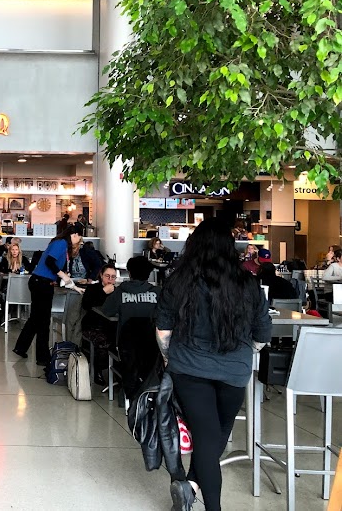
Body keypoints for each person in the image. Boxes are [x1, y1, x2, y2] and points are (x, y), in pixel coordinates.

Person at [155, 218, 271, 511]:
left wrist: (169, 357)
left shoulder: (179, 282)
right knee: (216, 434)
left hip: (189, 368)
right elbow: (262, 334)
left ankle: (193, 488)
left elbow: (164, 330)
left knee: (208, 436)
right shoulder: (249, 284)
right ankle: (198, 493)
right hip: (234, 372)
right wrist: (245, 353)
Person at [13, 224, 81, 364]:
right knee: (43, 321)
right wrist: (62, 275)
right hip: (42, 283)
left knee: (36, 318)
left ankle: (21, 347)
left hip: (40, 282)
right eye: (79, 238)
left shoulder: (60, 244)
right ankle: (42, 357)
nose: (78, 241)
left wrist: (68, 281)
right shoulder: (61, 243)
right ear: (74, 235)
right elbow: (50, 261)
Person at [101, 255, 160, 400]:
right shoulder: (158, 292)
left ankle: (128, 396)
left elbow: (106, 311)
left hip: (126, 347)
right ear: (148, 274)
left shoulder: (120, 292)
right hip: (152, 348)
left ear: (129, 272)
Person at [81, 264, 118, 382]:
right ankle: (98, 369)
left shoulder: (117, 292)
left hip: (111, 325)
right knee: (102, 340)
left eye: (113, 277)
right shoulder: (92, 289)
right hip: (93, 325)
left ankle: (118, 371)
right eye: (107, 276)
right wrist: (103, 292)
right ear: (101, 275)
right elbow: (87, 305)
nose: (110, 280)